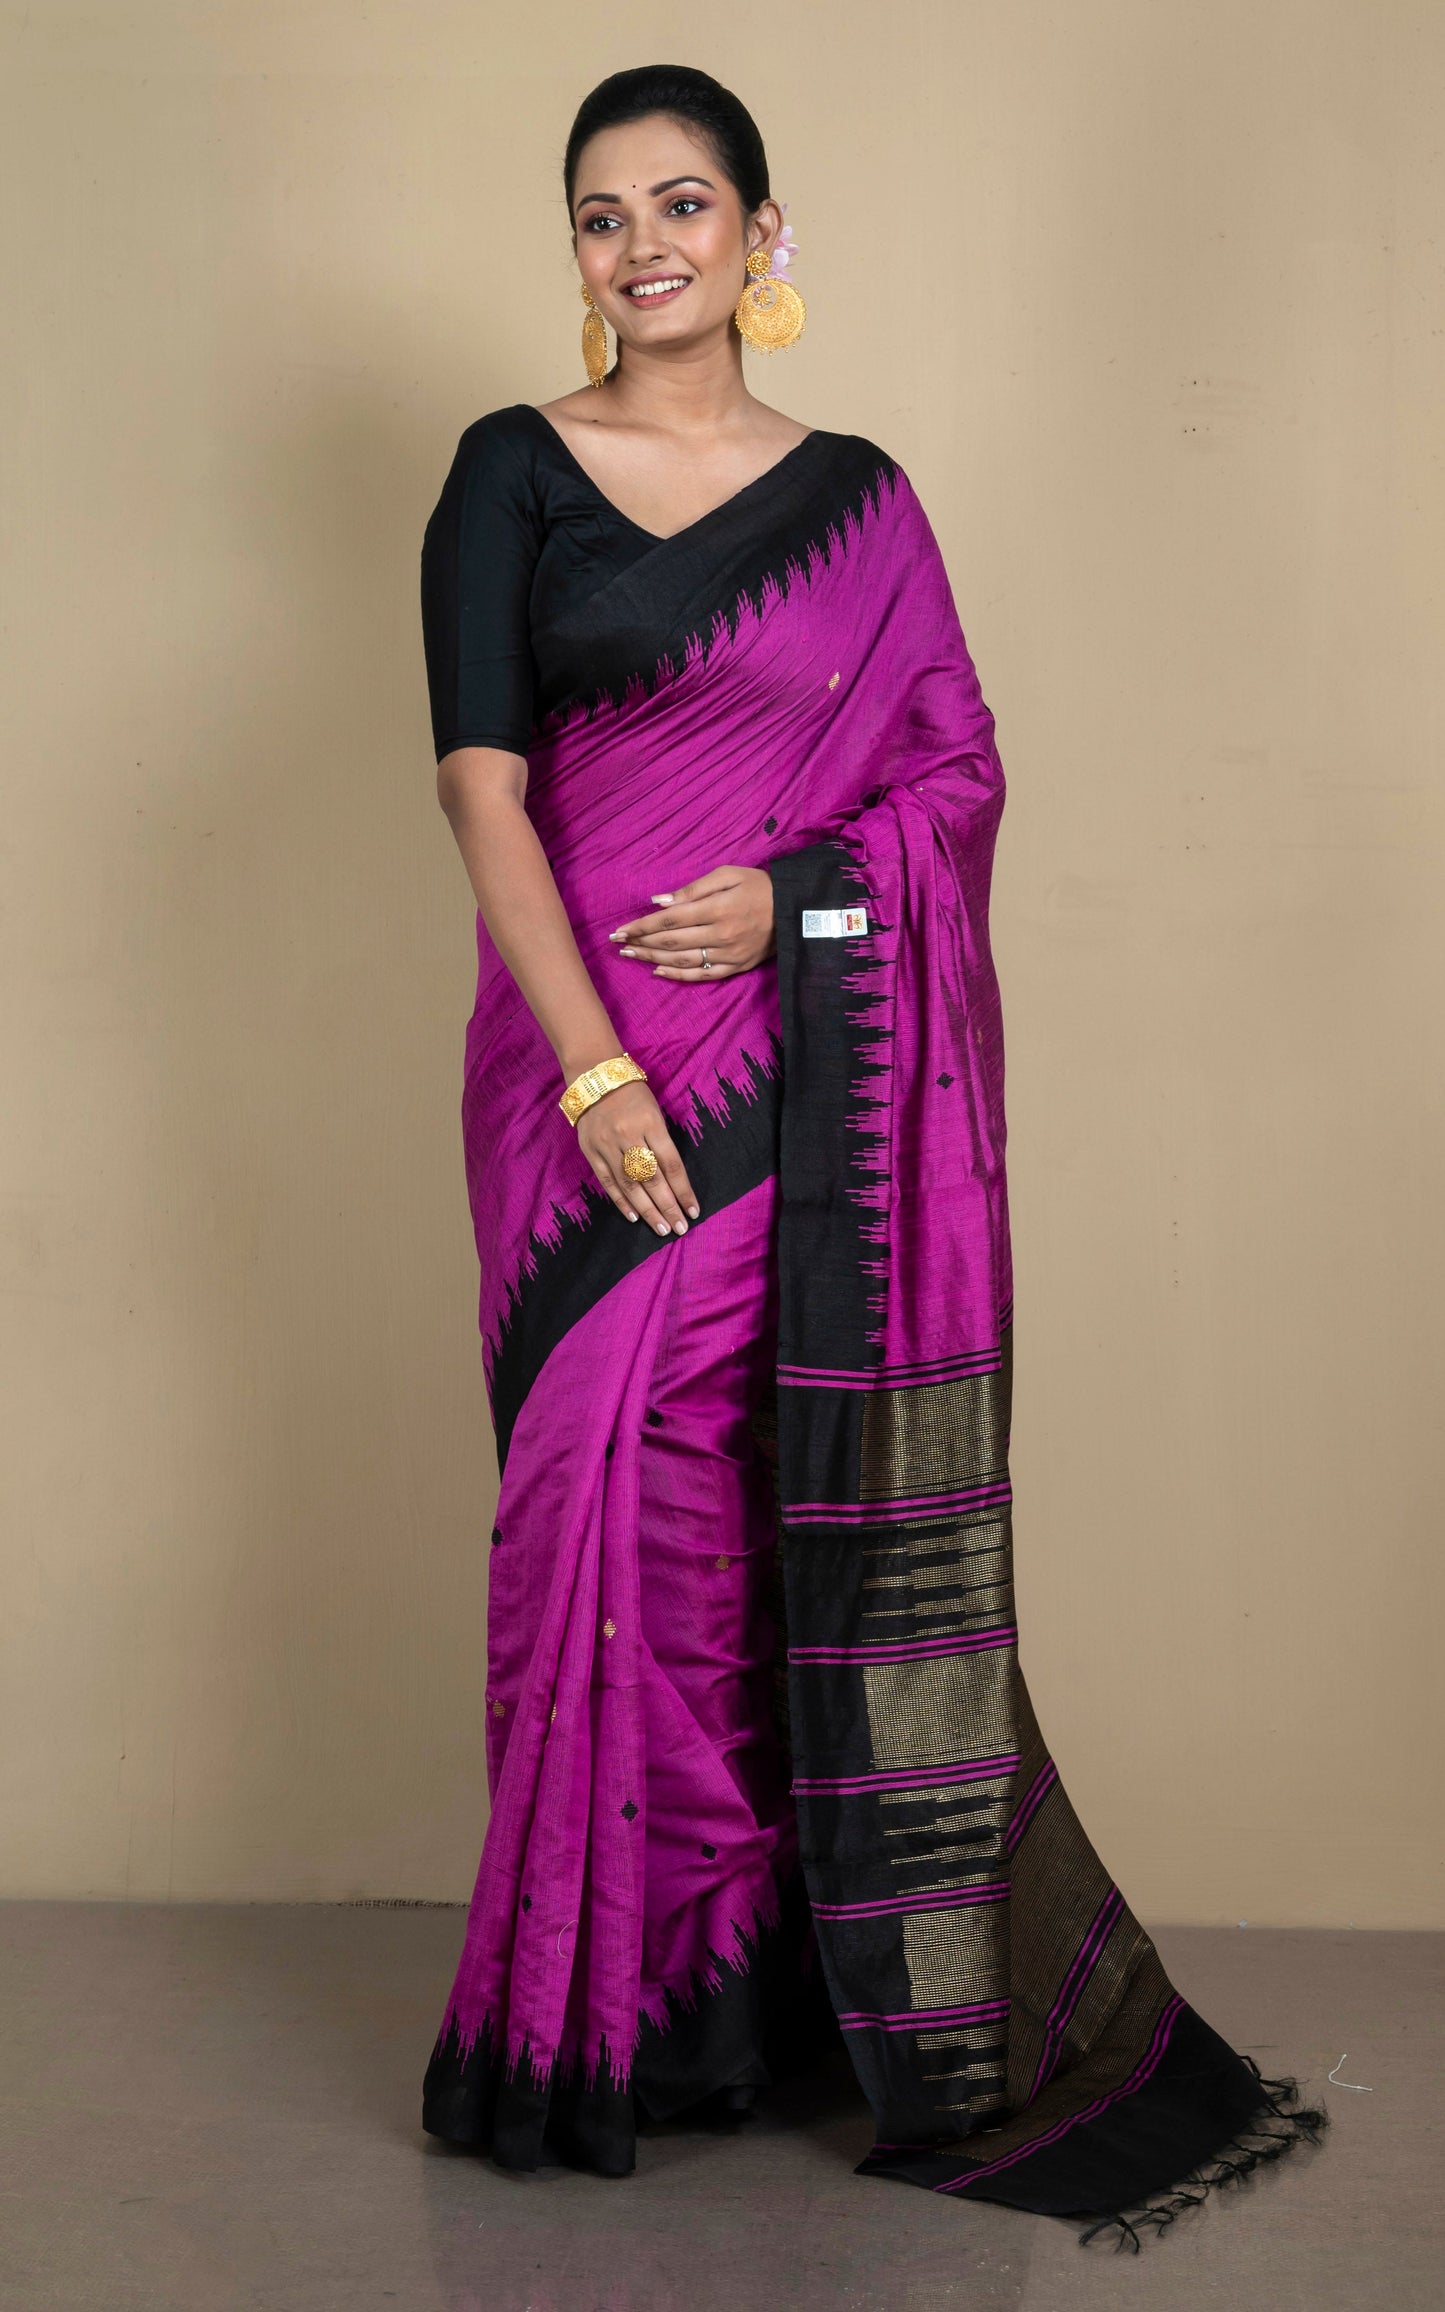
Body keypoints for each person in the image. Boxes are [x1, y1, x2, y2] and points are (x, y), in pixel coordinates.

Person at [417, 63, 1323, 2242]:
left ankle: (764, 2006)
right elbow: (479, 787)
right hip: (587, 1076)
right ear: (574, 251)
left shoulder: (862, 502)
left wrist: (800, 899)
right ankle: (599, 2011)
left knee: (759, 1500)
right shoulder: (511, 471)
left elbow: (954, 775)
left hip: (793, 1069)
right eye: (603, 213)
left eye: (685, 203)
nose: (644, 245)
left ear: (762, 233)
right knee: (601, 1506)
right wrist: (596, 1074)